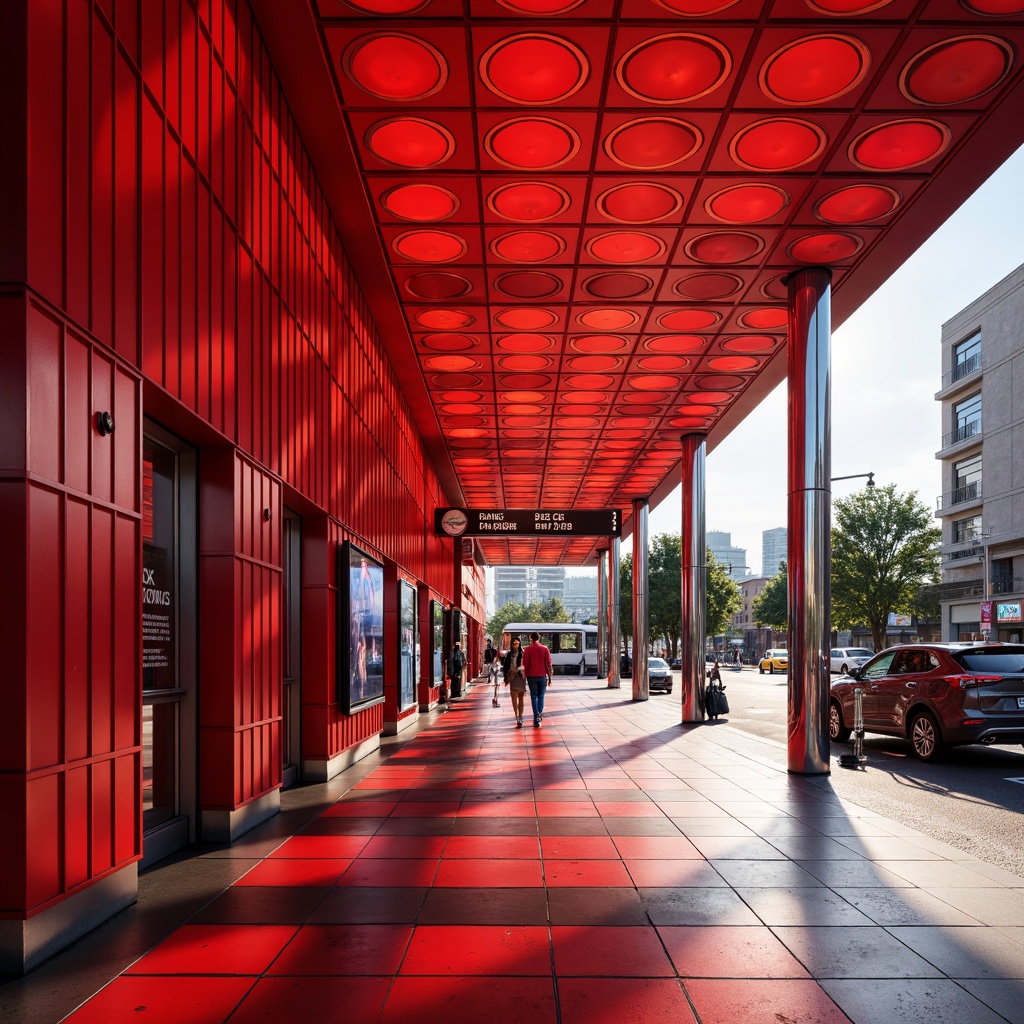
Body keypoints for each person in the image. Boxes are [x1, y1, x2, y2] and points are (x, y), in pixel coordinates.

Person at [522, 630, 553, 728]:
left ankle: (536, 716)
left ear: (531, 638)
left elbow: (525, 664)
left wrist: (525, 676)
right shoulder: (545, 649)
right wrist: (549, 677)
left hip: (531, 676)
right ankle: (539, 712)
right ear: (539, 638)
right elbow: (548, 663)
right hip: (542, 676)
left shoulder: (527, 649)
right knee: (541, 695)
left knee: (534, 696)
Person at [503, 637, 526, 727]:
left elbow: (526, 665)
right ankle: (516, 716)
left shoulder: (523, 653)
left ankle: (520, 716)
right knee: (513, 698)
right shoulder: (509, 655)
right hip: (512, 678)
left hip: (521, 678)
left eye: (517, 643)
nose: (515, 646)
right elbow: (505, 667)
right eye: (514, 644)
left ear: (520, 644)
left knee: (521, 698)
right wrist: (506, 678)